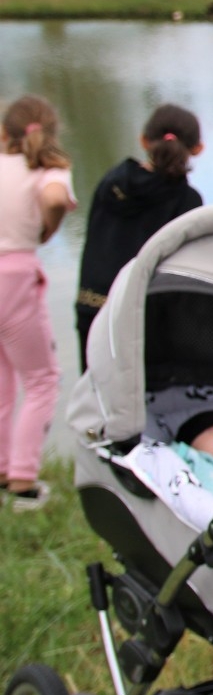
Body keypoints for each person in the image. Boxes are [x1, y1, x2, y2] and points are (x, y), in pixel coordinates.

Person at [75, 104, 204, 368]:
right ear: (198, 149)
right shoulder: (187, 201)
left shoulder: (111, 183)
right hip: (145, 315)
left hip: (93, 307)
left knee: (95, 388)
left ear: (144, 140)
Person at [0, 95, 77, 510]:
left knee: (2, 378)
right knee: (42, 379)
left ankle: (2, 467)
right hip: (15, 277)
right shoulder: (50, 170)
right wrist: (49, 227)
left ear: (4, 133)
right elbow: (53, 198)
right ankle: (23, 480)